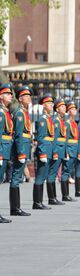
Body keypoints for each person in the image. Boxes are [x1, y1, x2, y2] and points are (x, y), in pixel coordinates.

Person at [9, 85, 32, 217]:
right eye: (26, 96)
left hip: (24, 146)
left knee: (18, 177)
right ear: (20, 99)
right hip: (21, 148)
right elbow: (18, 135)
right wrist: (21, 152)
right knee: (16, 177)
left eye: (29, 96)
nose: (29, 98)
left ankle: (16, 207)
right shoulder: (19, 113)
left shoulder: (24, 112)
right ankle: (15, 208)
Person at [32, 94, 55, 210]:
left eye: (52, 103)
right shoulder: (42, 119)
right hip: (44, 150)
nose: (51, 105)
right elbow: (40, 137)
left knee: (44, 176)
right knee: (40, 177)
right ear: (44, 105)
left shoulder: (48, 119)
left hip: (49, 149)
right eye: (49, 103)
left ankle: (39, 201)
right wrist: (42, 153)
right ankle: (37, 202)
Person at [46, 98, 66, 205]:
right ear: (57, 110)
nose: (64, 108)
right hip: (57, 149)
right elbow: (54, 138)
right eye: (62, 106)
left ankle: (53, 197)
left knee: (53, 173)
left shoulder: (60, 120)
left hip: (60, 149)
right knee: (52, 174)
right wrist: (55, 151)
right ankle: (51, 198)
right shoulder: (56, 121)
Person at [60, 100, 79, 202]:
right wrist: (65, 151)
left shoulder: (74, 123)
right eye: (72, 109)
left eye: (75, 109)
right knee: (65, 172)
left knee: (68, 172)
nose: (74, 110)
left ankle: (67, 194)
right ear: (68, 111)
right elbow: (66, 139)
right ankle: (65, 195)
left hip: (74, 149)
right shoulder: (67, 123)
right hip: (69, 150)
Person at [0, 83, 13, 223]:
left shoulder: (5, 112)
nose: (10, 96)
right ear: (1, 96)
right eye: (8, 94)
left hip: (5, 149)